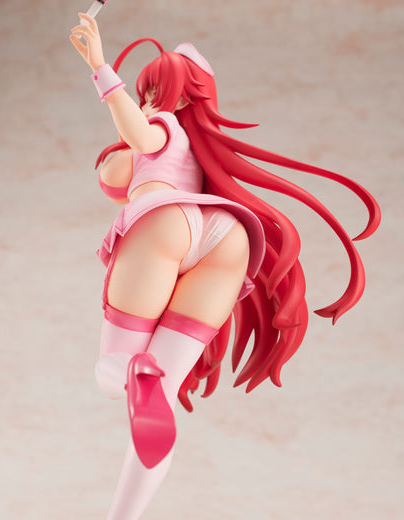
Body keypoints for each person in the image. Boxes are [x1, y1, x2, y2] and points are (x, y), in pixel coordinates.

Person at [70, 12, 380, 520]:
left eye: (152, 91)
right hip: (224, 237)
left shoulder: (162, 125)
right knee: (162, 400)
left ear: (170, 97)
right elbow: (123, 163)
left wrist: (101, 69)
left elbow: (136, 145)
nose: (147, 102)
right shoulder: (199, 149)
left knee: (113, 365)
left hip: (165, 222)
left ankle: (131, 374)